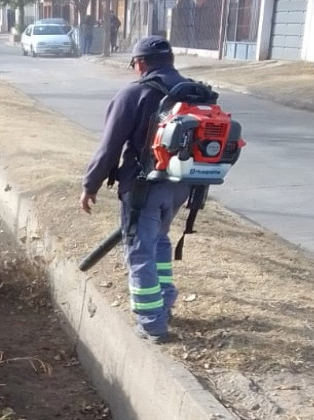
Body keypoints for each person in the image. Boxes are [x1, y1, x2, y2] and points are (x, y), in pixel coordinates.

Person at [79, 36, 191, 344]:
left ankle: (152, 323)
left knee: (140, 249)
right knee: (158, 241)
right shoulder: (193, 91)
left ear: (140, 63)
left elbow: (109, 148)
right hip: (181, 187)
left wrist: (90, 186)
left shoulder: (135, 93)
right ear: (170, 62)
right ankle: (165, 305)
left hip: (144, 188)